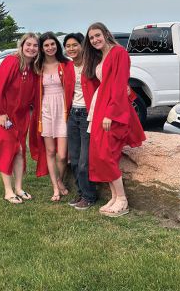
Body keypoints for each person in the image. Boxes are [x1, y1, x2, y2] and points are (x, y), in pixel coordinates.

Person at [82, 22, 145, 217]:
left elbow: (119, 85)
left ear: (106, 34)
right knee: (100, 152)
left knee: (107, 153)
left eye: (97, 35)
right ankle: (114, 197)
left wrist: (110, 113)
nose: (95, 40)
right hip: (101, 105)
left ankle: (123, 199)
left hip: (113, 108)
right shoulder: (102, 56)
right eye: (91, 38)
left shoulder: (119, 53)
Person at [0, 33, 39, 204]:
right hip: (3, 114)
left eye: (35, 45)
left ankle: (19, 188)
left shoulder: (34, 68)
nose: (31, 48)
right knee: (8, 149)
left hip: (21, 117)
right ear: (21, 46)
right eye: (28, 44)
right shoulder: (12, 62)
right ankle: (8, 191)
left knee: (21, 150)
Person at [30, 32, 74, 202]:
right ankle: (55, 188)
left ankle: (59, 179)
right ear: (42, 48)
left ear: (57, 45)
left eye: (52, 44)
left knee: (62, 154)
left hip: (62, 110)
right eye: (46, 45)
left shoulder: (65, 65)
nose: (50, 48)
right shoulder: (37, 67)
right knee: (50, 151)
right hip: (46, 111)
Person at [63, 33, 97, 210]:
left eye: (74, 45)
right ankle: (83, 192)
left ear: (83, 45)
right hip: (72, 115)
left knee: (84, 161)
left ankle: (90, 196)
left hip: (88, 116)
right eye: (67, 46)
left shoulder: (93, 64)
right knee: (74, 159)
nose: (71, 48)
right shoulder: (68, 66)